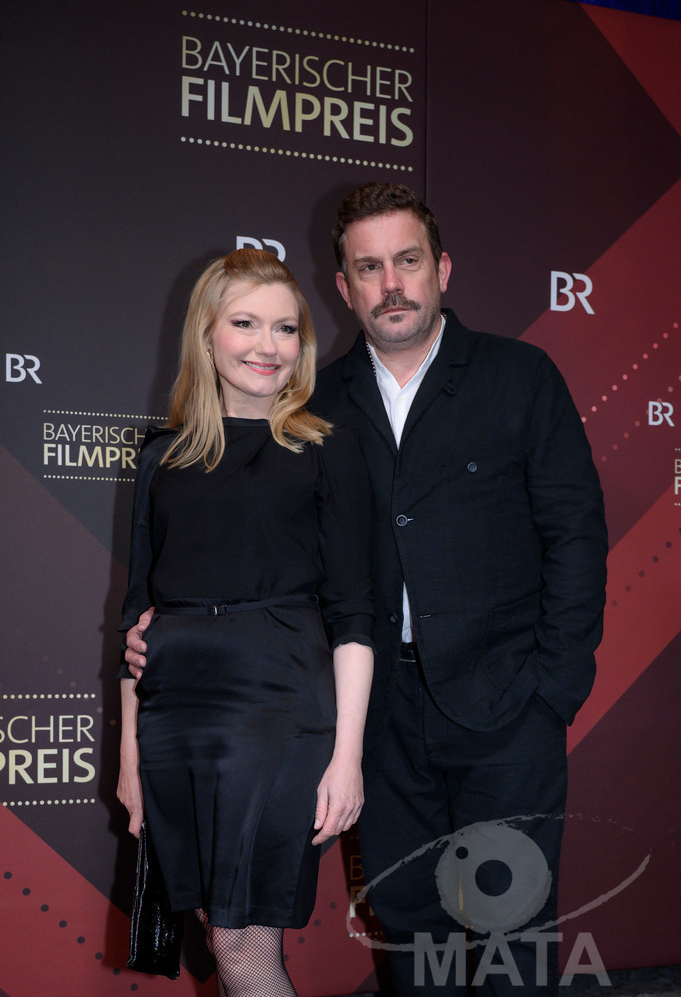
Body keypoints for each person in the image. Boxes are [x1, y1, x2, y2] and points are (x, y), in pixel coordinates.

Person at [126, 185, 608, 996]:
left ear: (441, 269)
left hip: (505, 708)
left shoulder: (519, 378)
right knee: (408, 930)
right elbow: (260, 548)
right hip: (374, 718)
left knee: (509, 931)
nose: (391, 284)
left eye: (407, 262)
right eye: (367, 268)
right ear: (342, 287)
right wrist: (162, 631)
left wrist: (552, 687)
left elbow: (576, 536)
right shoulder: (312, 407)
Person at [117, 248, 374, 997]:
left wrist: (347, 757)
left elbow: (353, 613)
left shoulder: (323, 449)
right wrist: (130, 762)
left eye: (285, 328)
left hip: (276, 706)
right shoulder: (161, 459)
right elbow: (136, 620)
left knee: (239, 942)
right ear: (206, 334)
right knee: (211, 924)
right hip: (174, 715)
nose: (268, 345)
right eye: (245, 323)